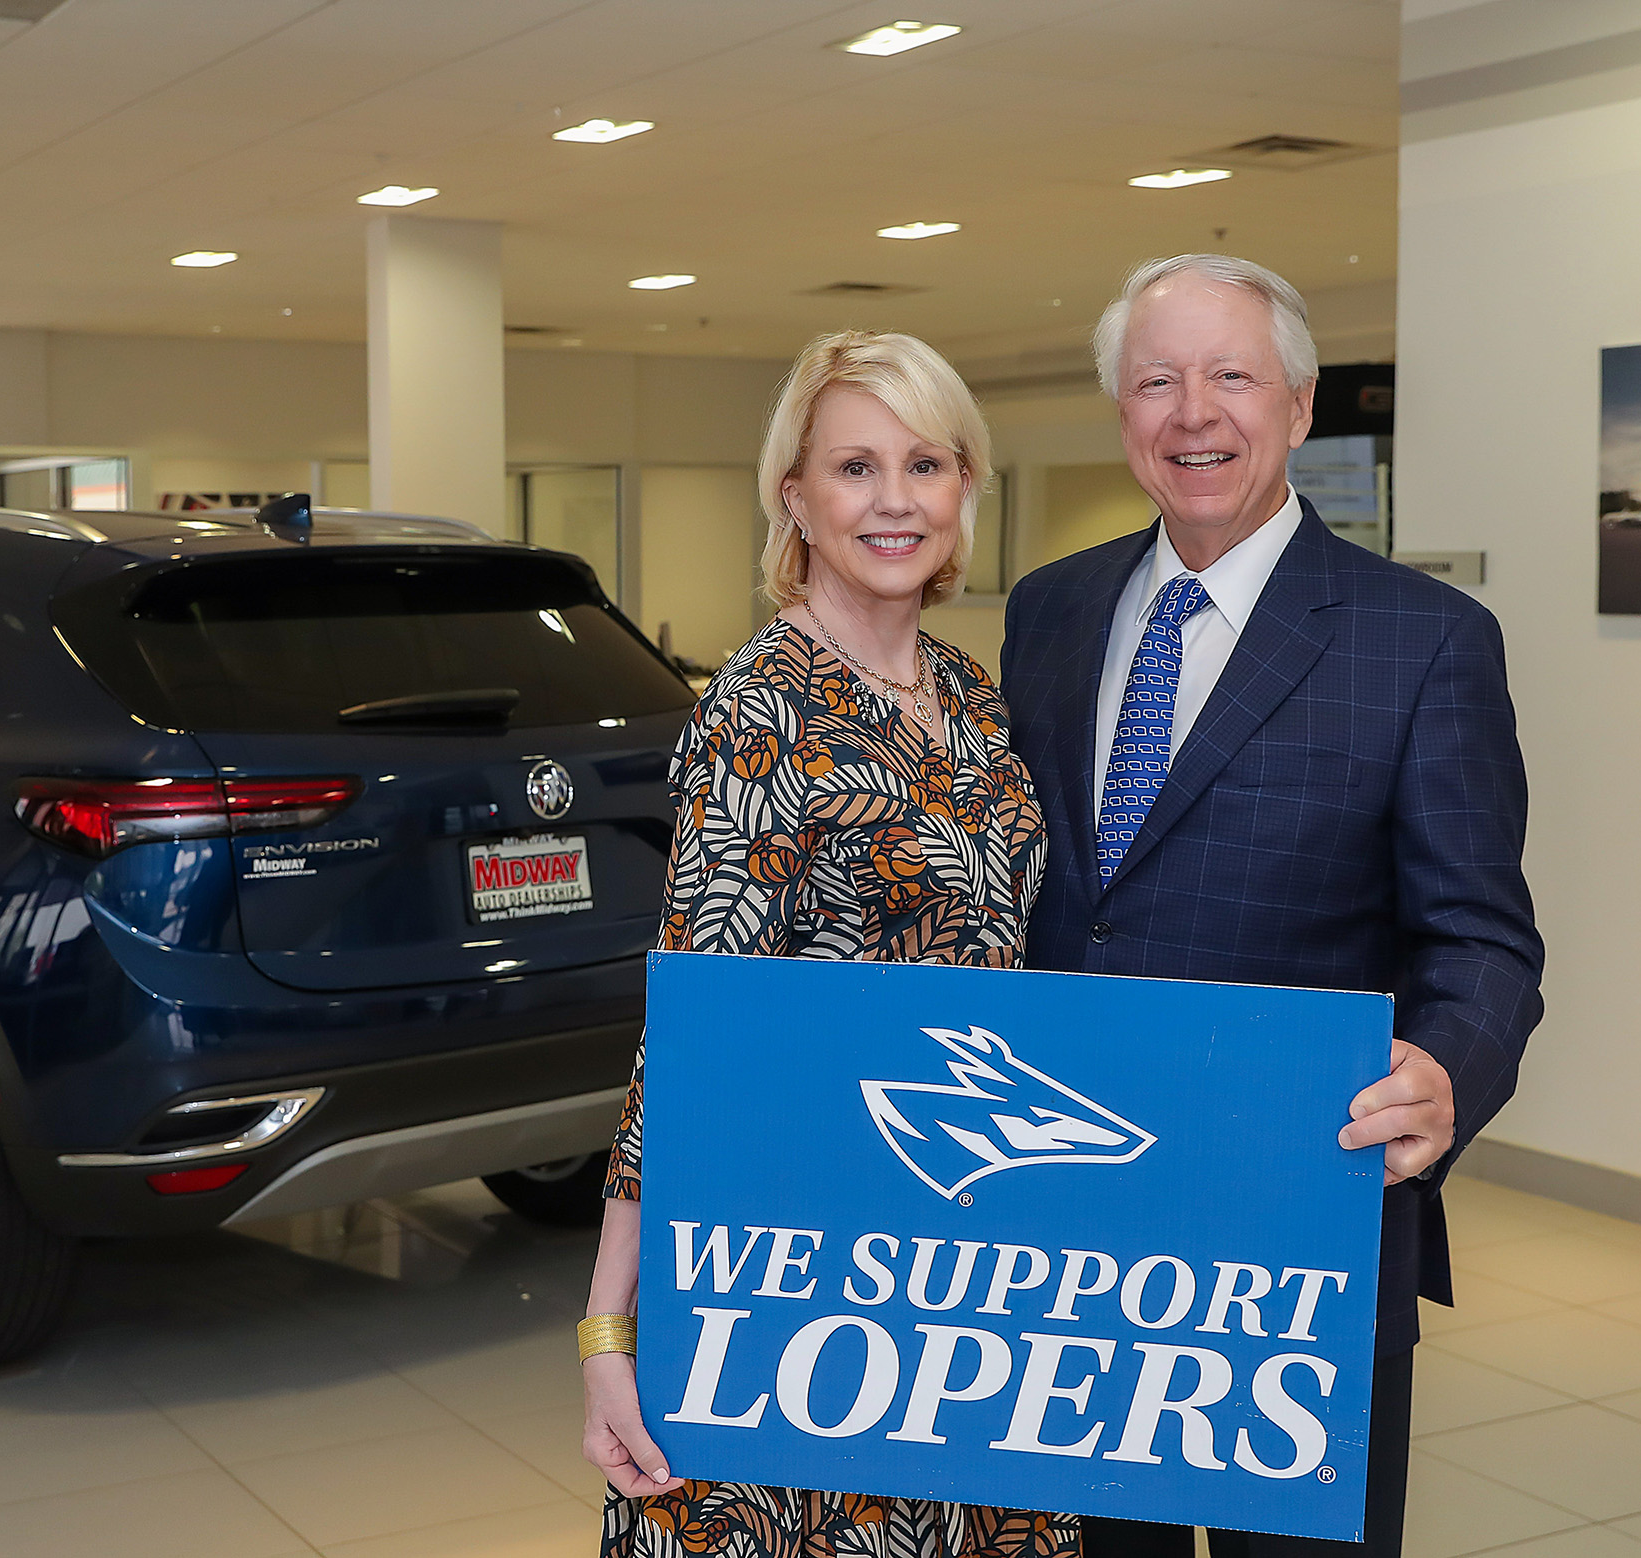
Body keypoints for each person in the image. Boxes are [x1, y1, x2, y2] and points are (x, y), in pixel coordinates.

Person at [999, 255, 1545, 1557]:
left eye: (1232, 375)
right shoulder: (1049, 611)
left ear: (1300, 405)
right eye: (1157, 381)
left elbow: (1484, 938)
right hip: (1071, 1236)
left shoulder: (1423, 641)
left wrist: (1449, 1067)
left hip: (1300, 1222)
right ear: (1123, 414)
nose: (1195, 412)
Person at [578, 330, 1078, 1558]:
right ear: (794, 496)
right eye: (855, 467)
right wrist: (609, 1318)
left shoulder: (969, 693)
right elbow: (696, 1024)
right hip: (802, 1253)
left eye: (926, 462)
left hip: (971, 1235)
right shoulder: (761, 708)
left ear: (966, 487)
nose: (895, 499)